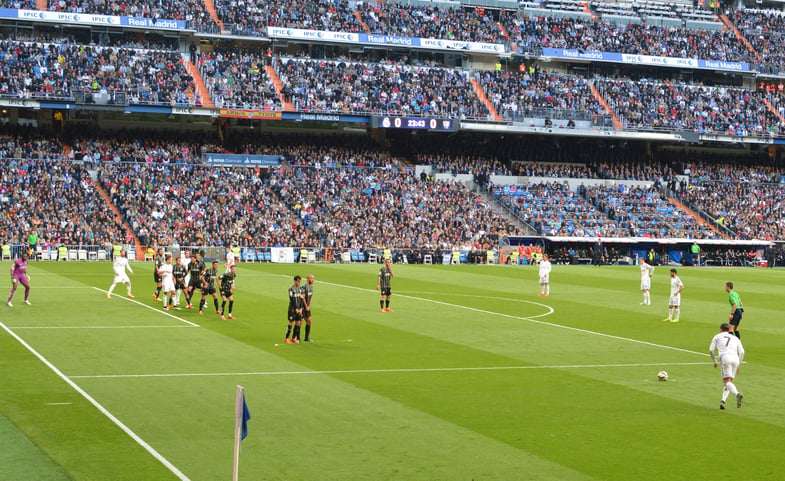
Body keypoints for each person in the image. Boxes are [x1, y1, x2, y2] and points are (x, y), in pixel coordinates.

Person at [709, 323, 745, 410]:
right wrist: (739, 363)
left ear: (721, 329)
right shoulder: (735, 338)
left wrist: (715, 361)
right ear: (729, 330)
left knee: (726, 382)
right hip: (735, 359)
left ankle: (737, 394)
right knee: (729, 382)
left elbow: (711, 350)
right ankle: (723, 401)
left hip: (726, 358)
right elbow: (742, 352)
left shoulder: (717, 336)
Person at [285, 275, 304, 343]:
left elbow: (302, 299)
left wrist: (301, 308)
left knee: (298, 323)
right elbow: (292, 299)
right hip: (292, 309)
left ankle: (294, 338)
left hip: (299, 309)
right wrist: (296, 308)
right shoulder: (291, 289)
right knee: (291, 323)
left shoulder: (301, 289)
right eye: (298, 281)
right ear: (295, 281)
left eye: (300, 281)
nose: (299, 283)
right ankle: (286, 338)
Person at [302, 274, 315, 342]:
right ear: (307, 279)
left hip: (307, 308)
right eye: (311, 278)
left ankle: (306, 338)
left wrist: (309, 306)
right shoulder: (304, 287)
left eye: (313, 278)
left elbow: (311, 297)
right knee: (299, 322)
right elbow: (303, 297)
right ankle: (296, 337)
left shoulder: (311, 287)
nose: (313, 280)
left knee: (309, 321)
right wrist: (306, 306)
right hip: (302, 307)